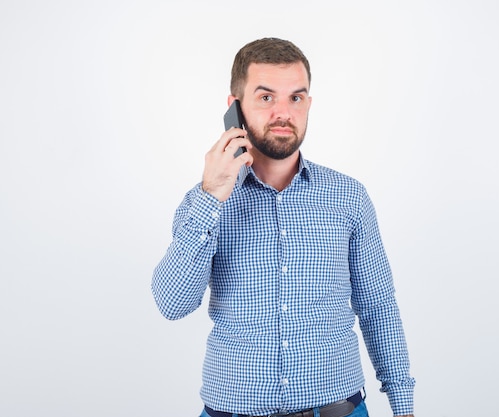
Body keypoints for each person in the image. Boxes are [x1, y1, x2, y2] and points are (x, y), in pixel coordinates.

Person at [152, 37, 415, 417]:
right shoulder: (204, 203)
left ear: (309, 104)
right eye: (265, 97)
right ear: (235, 108)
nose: (283, 112)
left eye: (296, 97)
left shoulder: (348, 197)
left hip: (338, 409)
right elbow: (172, 304)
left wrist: (402, 406)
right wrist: (212, 196)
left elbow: (379, 307)